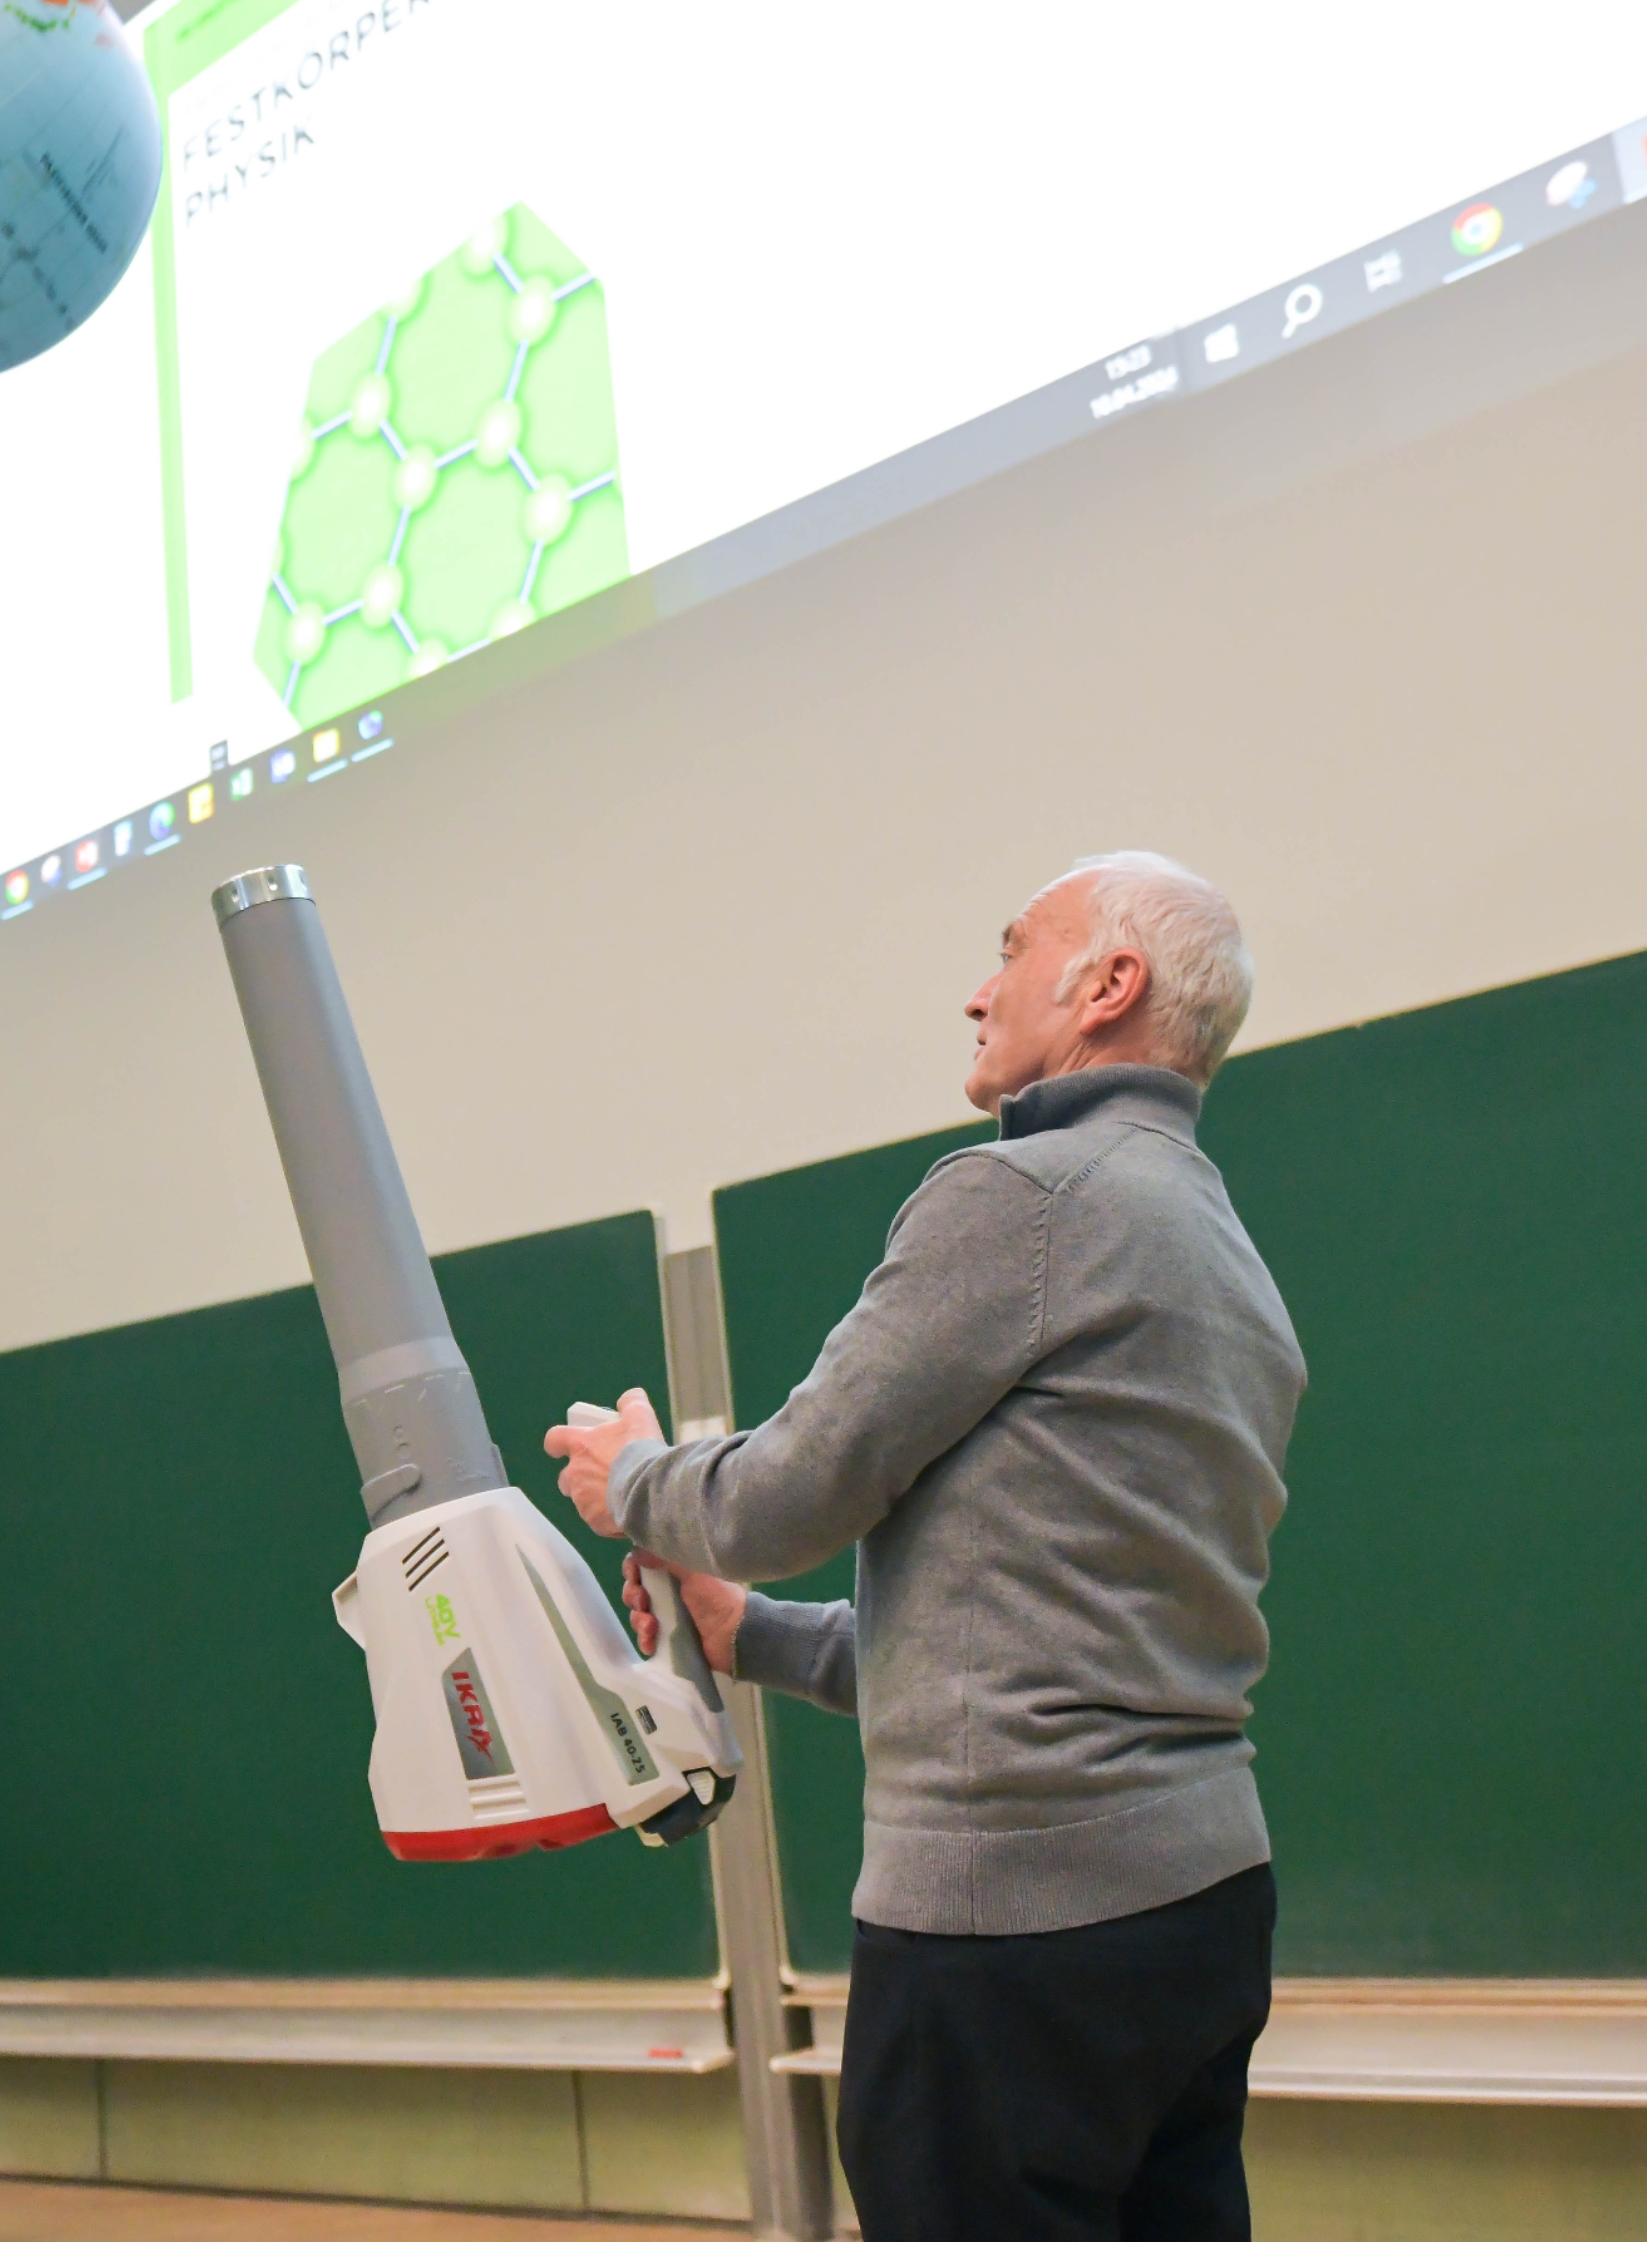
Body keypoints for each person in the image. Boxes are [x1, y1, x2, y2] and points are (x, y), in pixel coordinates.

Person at [549, 852, 1304, 2242]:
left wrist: (636, 1480)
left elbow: (786, 1493)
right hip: (1199, 1910)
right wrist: (749, 1635)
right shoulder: (1223, 1250)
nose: (976, 990)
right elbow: (1027, 1633)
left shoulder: (1020, 1202)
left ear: (1107, 987)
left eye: (1011, 949)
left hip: (1014, 1937)